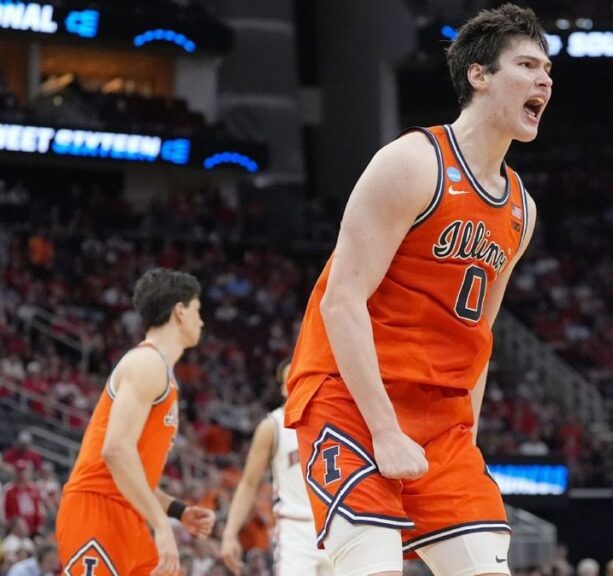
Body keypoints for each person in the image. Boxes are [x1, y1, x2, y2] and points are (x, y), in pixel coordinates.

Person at [284, 4, 550, 574]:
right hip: (350, 402)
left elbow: (479, 335)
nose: (544, 80)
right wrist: (383, 429)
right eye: (527, 64)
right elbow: (341, 300)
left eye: (547, 70)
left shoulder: (521, 210)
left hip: (440, 420)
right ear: (478, 75)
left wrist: (468, 436)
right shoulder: (411, 162)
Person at [56, 268, 215, 575]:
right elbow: (115, 451)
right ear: (180, 311)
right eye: (198, 310)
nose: (202, 320)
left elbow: (132, 474)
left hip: (128, 512)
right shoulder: (146, 363)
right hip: (96, 508)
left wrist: (177, 511)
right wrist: (162, 525)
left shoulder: (162, 374)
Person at [221, 359, 333, 575]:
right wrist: (230, 533)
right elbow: (248, 483)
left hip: (337, 525)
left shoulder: (335, 420)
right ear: (283, 387)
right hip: (295, 531)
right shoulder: (271, 426)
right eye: (291, 381)